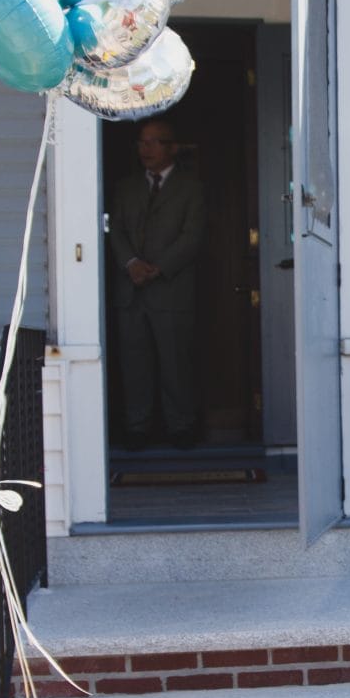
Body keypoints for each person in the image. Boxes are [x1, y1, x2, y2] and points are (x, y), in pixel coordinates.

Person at [108, 116, 205, 449]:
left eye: (153, 142)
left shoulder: (191, 187)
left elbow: (192, 236)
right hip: (131, 291)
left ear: (171, 147)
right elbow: (115, 229)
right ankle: (137, 427)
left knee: (176, 362)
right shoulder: (126, 186)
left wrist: (159, 268)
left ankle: (182, 427)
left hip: (171, 289)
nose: (145, 149)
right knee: (134, 361)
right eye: (141, 142)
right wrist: (131, 263)